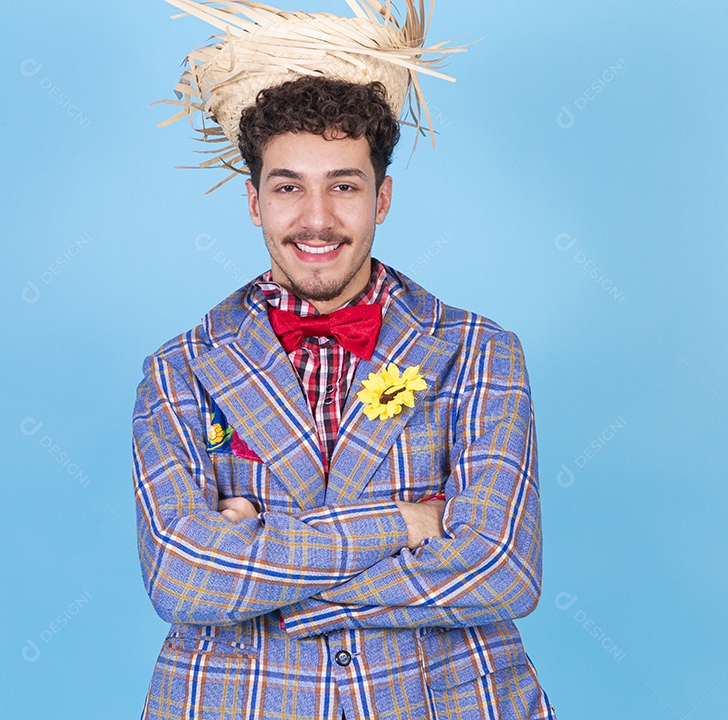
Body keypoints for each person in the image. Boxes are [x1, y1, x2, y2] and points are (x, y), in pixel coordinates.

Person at [133, 2, 554, 718]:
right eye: (289, 186)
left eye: (344, 186)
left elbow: (503, 569)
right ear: (254, 201)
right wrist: (410, 523)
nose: (318, 218)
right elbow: (186, 580)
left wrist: (266, 561)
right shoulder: (179, 370)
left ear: (382, 198)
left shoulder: (481, 353)